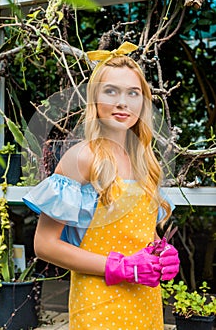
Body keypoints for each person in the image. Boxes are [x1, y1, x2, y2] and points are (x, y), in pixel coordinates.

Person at [23, 42, 180, 330]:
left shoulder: (146, 163)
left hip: (146, 306)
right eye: (111, 91)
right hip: (99, 308)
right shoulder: (82, 158)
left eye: (133, 93)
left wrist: (161, 253)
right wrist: (119, 267)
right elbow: (44, 245)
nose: (123, 102)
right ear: (94, 99)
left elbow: (137, 237)